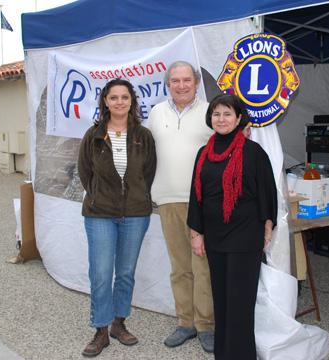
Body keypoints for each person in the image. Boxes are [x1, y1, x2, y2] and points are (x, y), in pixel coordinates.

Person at [187, 94, 277, 360]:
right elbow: (196, 195)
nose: (221, 119)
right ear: (210, 118)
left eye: (227, 114)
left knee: (240, 303)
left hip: (245, 237)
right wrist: (196, 232)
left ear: (239, 118)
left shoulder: (253, 152)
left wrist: (268, 225)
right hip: (215, 237)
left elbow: (267, 192)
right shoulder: (204, 153)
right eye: (216, 114)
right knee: (223, 301)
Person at [77, 78, 156, 357]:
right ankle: (100, 330)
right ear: (105, 102)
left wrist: (135, 198)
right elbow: (85, 171)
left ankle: (118, 323)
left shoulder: (143, 136)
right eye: (114, 97)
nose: (120, 102)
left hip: (135, 214)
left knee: (125, 273)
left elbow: (148, 173)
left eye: (125, 97)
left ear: (132, 101)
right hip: (100, 214)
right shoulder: (94, 134)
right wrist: (99, 196)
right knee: (100, 274)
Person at [146, 61, 215, 352]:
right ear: (168, 83)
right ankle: (185, 322)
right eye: (175, 80)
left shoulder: (211, 111)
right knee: (180, 267)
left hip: (202, 201)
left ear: (196, 82)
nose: (181, 85)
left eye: (187, 79)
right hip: (167, 200)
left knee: (204, 266)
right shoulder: (156, 112)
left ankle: (206, 325)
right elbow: (148, 153)